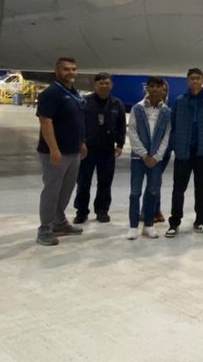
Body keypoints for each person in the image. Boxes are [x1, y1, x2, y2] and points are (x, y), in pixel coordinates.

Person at [35, 56, 87, 246]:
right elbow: (45, 121)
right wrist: (54, 149)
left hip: (73, 151)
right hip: (56, 153)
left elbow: (77, 120)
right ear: (57, 72)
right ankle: (44, 230)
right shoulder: (52, 93)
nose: (71, 73)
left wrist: (82, 142)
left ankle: (59, 222)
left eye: (73, 69)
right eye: (66, 69)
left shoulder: (73, 92)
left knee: (66, 190)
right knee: (52, 191)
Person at [166, 67, 203, 236]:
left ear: (202, 80)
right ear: (188, 80)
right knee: (179, 188)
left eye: (198, 78)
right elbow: (174, 126)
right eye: (192, 78)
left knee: (201, 188)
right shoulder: (179, 101)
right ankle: (174, 223)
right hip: (184, 151)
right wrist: (176, 145)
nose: (195, 81)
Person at [74, 72, 126, 224]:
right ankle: (81, 212)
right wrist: (81, 143)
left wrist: (120, 144)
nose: (104, 86)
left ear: (111, 85)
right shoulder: (84, 102)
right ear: (95, 85)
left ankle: (102, 210)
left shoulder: (117, 104)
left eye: (107, 83)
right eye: (100, 83)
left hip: (107, 150)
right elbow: (78, 124)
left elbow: (121, 125)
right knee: (83, 182)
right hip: (87, 149)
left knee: (105, 182)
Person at [126, 76, 172, 240]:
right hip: (139, 159)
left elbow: (166, 136)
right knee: (135, 192)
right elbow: (132, 133)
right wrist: (144, 154)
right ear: (147, 88)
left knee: (152, 191)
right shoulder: (137, 108)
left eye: (157, 87)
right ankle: (133, 226)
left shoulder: (166, 111)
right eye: (151, 86)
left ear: (162, 90)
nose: (154, 89)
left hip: (156, 160)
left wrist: (157, 156)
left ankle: (148, 225)